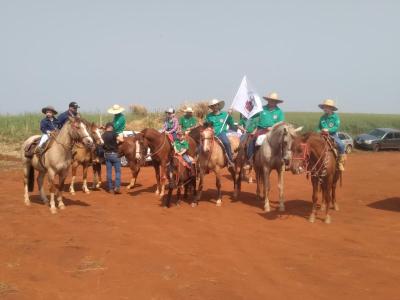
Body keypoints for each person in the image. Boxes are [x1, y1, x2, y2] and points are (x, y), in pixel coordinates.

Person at [247, 92, 285, 161]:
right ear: (268, 100)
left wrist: (273, 128)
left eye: (274, 101)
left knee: (284, 141)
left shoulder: (279, 112)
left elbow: (281, 123)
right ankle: (250, 159)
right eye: (271, 100)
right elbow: (256, 120)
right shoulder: (262, 109)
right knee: (252, 139)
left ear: (277, 102)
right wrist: (254, 129)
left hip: (274, 131)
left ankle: (284, 160)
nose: (272, 102)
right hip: (261, 129)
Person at [205, 99, 235, 167]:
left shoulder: (225, 114)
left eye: (215, 105)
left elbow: (231, 124)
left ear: (218, 105)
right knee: (202, 144)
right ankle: (201, 161)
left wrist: (230, 116)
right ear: (211, 107)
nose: (214, 107)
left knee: (226, 143)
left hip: (221, 133)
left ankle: (230, 160)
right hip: (211, 134)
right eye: (212, 106)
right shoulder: (209, 116)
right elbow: (206, 125)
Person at [317, 99, 346, 171]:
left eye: (326, 107)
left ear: (331, 108)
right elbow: (318, 127)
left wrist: (328, 130)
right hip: (322, 135)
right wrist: (318, 132)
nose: (325, 109)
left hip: (332, 135)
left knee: (341, 145)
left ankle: (340, 163)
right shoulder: (322, 117)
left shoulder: (336, 117)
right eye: (324, 107)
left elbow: (336, 127)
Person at [102, 122, 122, 194]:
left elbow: (101, 144)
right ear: (110, 127)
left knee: (109, 172)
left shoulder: (103, 135)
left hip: (107, 155)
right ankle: (117, 187)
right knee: (117, 172)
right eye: (112, 127)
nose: (113, 128)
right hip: (115, 155)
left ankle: (110, 188)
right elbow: (121, 140)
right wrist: (117, 142)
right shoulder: (114, 133)